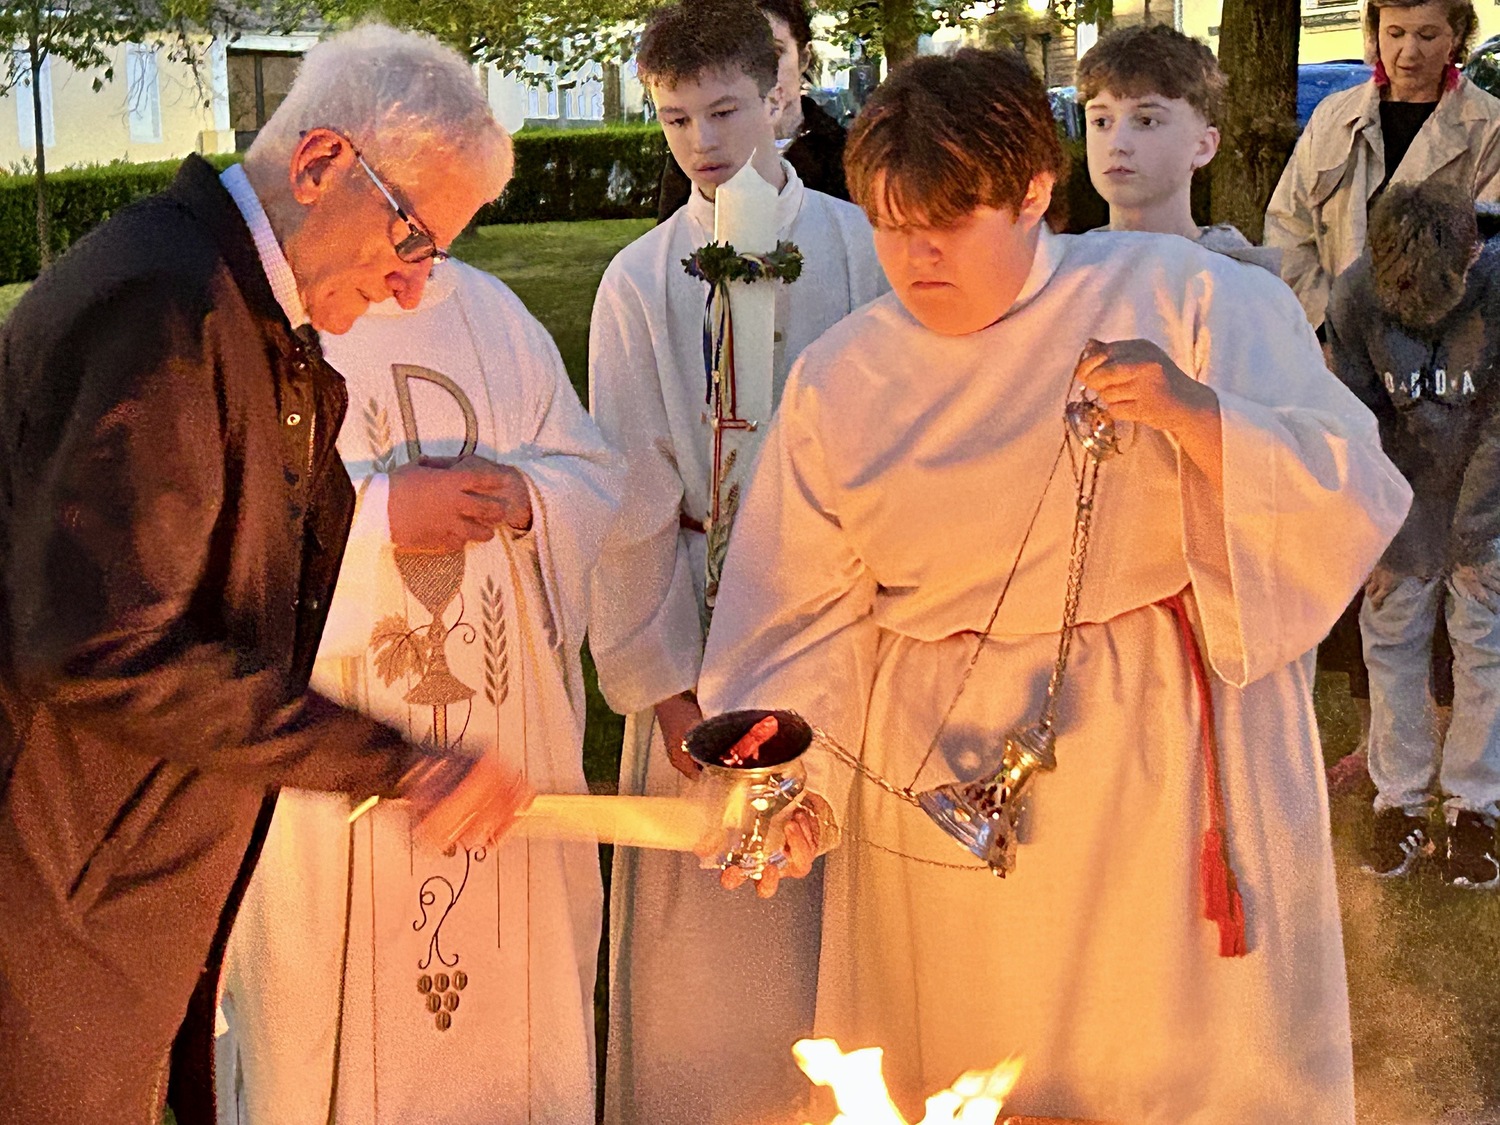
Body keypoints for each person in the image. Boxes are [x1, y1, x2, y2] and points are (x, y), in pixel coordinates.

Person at [698, 47, 1411, 1124]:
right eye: (892, 225)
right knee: (966, 1060)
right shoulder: (841, 379)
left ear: (1035, 190)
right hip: (931, 764)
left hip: (1147, 747)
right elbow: (796, 608)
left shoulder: (1187, 300)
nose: (917, 256)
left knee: (1154, 1065)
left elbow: (1350, 482)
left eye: (951, 222)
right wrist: (797, 785)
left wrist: (1197, 416)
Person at [0, 24, 527, 1125]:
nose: (413, 285)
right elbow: (100, 644)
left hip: (123, 887)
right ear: (323, 161)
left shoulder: (249, 316)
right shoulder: (165, 309)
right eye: (413, 236)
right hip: (50, 898)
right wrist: (391, 762)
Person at [215, 244, 622, 1121]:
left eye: (435, 236)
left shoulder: (494, 314)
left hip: (499, 722)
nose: (412, 275)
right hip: (336, 736)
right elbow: (235, 536)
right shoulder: (270, 328)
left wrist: (528, 500)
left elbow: (590, 473)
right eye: (405, 231)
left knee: (512, 1006)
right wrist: (380, 516)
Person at [587, 2, 886, 1122]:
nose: (702, 142)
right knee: (706, 947)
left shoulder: (861, 249)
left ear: (781, 96)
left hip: (843, 626)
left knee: (844, 921)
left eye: (724, 111)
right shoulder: (638, 280)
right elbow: (629, 501)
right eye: (675, 119)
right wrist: (665, 687)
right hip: (696, 640)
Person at [1326, 180, 1500, 888]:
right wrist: (1381, 531)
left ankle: (1476, 806)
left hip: (1488, 484)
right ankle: (1398, 798)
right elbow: (1358, 419)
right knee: (1391, 635)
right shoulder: (1354, 295)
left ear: (1471, 256)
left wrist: (1471, 539)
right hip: (1401, 489)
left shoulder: (1497, 285)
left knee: (1485, 640)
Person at [1266, 0, 1500, 334]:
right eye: (1395, 33)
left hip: (1437, 345)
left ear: (1457, 37)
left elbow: (1486, 261)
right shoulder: (1332, 116)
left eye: (1427, 35)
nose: (1409, 52)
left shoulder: (1490, 127)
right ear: (1376, 33)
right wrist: (1326, 329)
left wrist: (1406, 347)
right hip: (1329, 339)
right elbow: (1288, 227)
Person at [1078, 23, 1280, 272]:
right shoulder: (1063, 276)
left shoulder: (1241, 283)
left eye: (1146, 121)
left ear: (1203, 146)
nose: (1117, 144)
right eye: (1101, 122)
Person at [655, 0, 848, 222]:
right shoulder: (699, 157)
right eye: (739, 56)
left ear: (803, 58)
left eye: (774, 52)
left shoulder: (843, 153)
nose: (758, 70)